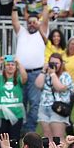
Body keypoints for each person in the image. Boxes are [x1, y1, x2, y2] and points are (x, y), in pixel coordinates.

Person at [12, 7, 49, 135]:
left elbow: (45, 19)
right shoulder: (22, 31)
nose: (32, 24)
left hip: (36, 73)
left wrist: (45, 4)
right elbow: (15, 21)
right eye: (29, 22)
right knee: (21, 101)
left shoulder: (42, 31)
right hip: (21, 73)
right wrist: (14, 7)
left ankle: (30, 129)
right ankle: (20, 128)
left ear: (39, 22)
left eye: (34, 22)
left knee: (34, 103)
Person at [0, 56, 27, 148]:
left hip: (16, 114)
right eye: (8, 65)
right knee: (0, 138)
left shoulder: (18, 79)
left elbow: (25, 78)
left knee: (14, 138)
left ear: (15, 67)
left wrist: (19, 64)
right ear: (4, 67)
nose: (10, 67)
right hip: (0, 114)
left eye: (12, 65)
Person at [35, 53, 74, 141]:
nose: (54, 65)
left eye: (56, 63)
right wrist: (43, 71)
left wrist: (53, 74)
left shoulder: (65, 75)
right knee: (47, 137)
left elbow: (59, 87)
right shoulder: (46, 74)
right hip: (44, 107)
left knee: (58, 138)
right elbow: (38, 85)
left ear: (61, 64)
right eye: (51, 63)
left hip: (58, 108)